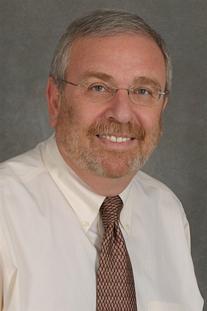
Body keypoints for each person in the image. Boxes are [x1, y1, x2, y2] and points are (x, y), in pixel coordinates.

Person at [0, 9, 204, 311]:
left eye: (143, 91)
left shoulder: (167, 212)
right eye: (98, 87)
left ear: (162, 107)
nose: (121, 113)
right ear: (55, 100)